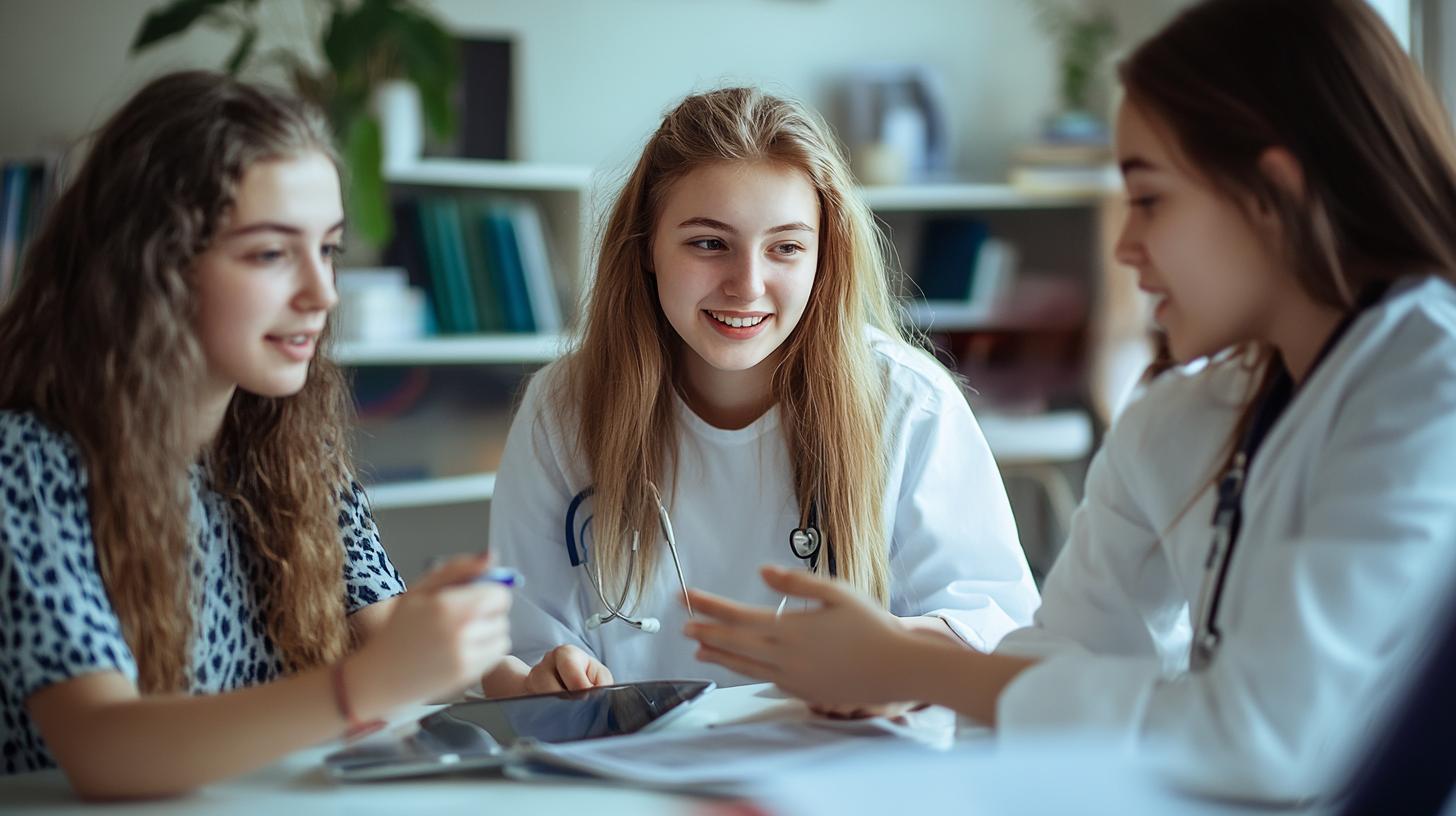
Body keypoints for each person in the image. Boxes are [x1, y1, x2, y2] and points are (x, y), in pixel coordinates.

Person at [684, 0, 1456, 800]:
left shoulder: (1429, 379)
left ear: (1272, 191)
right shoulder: (1182, 417)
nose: (1123, 247)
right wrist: (905, 671)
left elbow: (1264, 737)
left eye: (1149, 199)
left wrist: (918, 665)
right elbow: (1063, 659)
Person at [0, 71, 512, 797]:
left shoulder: (298, 452)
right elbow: (102, 747)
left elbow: (388, 635)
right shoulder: (27, 464)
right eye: (272, 253)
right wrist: (359, 688)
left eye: (329, 249)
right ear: (155, 267)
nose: (322, 292)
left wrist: (498, 668)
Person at [483, 87, 1038, 707]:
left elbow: (998, 629)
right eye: (709, 243)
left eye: (786, 247)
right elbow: (525, 644)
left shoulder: (908, 404)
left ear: (824, 257)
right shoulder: (562, 408)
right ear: (645, 247)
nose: (747, 285)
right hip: (641, 776)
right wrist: (540, 677)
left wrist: (892, 660)